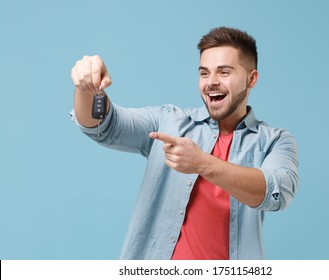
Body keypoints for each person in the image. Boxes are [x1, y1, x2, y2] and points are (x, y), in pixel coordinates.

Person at [70, 26, 298, 260]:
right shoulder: (169, 121)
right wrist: (88, 89)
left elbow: (276, 192)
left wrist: (203, 163)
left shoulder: (275, 141)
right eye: (204, 73)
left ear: (252, 79)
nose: (211, 82)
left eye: (224, 72)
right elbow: (104, 125)